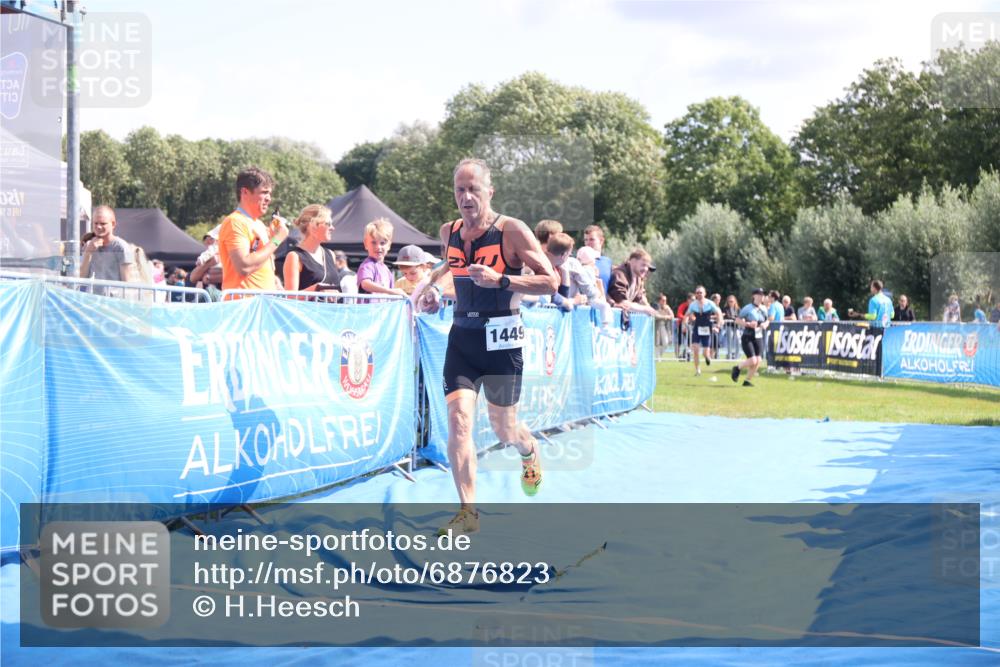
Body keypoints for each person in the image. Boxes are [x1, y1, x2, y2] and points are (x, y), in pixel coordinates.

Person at [414, 158, 560, 534]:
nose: (466, 196)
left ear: (489, 192)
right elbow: (452, 272)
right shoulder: (450, 231)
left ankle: (528, 451)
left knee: (503, 428)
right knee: (459, 423)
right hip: (462, 337)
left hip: (502, 342)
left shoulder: (511, 230)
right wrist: (433, 291)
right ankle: (468, 513)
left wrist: (501, 281)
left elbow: (551, 281)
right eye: (459, 189)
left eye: (473, 189)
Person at [218, 167, 289, 294]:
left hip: (262, 305)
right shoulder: (235, 222)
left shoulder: (260, 224)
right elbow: (244, 266)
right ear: (244, 192)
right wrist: (277, 239)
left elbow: (261, 265)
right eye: (264, 192)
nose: (269, 199)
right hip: (244, 306)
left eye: (270, 194)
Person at [543, 232, 615, 331]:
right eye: (569, 254)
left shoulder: (559, 266)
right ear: (564, 255)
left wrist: (564, 272)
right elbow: (547, 295)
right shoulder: (542, 265)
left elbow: (561, 295)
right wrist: (571, 301)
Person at [283, 204, 341, 294]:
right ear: (313, 226)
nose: (332, 228)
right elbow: (290, 297)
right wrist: (317, 289)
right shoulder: (295, 257)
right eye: (328, 224)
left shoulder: (330, 254)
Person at [79, 205, 135, 284]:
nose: (98, 226)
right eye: (96, 223)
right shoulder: (88, 245)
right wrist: (88, 252)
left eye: (103, 223)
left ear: (113, 224)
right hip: (92, 296)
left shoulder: (121, 247)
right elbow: (81, 278)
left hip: (113, 296)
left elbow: (127, 283)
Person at [357, 217, 407, 297]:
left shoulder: (387, 271)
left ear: (389, 245)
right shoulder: (367, 265)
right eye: (373, 242)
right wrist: (390, 291)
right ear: (366, 244)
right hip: (369, 309)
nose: (378, 247)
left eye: (383, 243)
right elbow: (365, 284)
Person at [732, 288, 769, 387]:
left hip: (759, 336)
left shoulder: (764, 308)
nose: (762, 296)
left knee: (758, 360)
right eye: (759, 294)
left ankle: (747, 381)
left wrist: (765, 324)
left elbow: (767, 320)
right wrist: (747, 324)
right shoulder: (748, 308)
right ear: (754, 296)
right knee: (753, 360)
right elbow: (737, 320)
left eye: (763, 294)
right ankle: (737, 368)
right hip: (748, 336)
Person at [607, 248, 658, 317]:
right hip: (609, 317)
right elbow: (622, 302)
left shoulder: (638, 278)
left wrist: (649, 309)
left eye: (647, 266)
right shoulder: (619, 275)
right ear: (633, 261)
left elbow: (640, 299)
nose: (646, 269)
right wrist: (645, 309)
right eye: (643, 265)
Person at [686, 285, 722, 376]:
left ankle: (707, 357)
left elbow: (718, 314)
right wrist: (684, 324)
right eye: (697, 293)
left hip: (707, 329)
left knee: (705, 352)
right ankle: (698, 370)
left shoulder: (710, 303)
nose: (699, 294)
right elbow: (687, 314)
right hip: (697, 328)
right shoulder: (693, 304)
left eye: (701, 292)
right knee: (696, 350)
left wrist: (718, 325)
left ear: (705, 294)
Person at [583, 224, 614, 293]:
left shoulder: (607, 262)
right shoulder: (579, 262)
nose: (588, 243)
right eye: (586, 240)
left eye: (591, 239)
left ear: (601, 241)